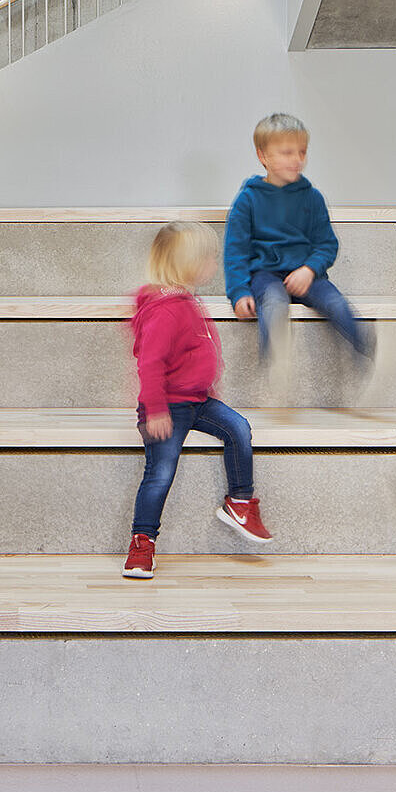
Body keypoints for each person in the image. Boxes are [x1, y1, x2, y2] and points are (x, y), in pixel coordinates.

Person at [124, 220, 272, 580]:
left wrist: (208, 389)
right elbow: (150, 363)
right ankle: (142, 542)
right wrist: (155, 410)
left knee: (238, 428)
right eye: (208, 258)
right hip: (166, 408)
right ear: (186, 263)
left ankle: (240, 502)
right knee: (160, 473)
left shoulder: (187, 300)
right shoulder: (165, 309)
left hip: (197, 400)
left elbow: (194, 354)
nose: (214, 264)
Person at [224, 113, 373, 381]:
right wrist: (238, 292)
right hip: (265, 276)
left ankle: (368, 355)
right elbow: (235, 252)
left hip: (307, 276)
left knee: (336, 302)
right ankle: (275, 368)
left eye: (302, 152)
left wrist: (309, 269)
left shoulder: (312, 198)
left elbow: (326, 244)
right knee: (274, 301)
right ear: (263, 156)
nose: (297, 159)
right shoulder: (247, 200)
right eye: (287, 152)